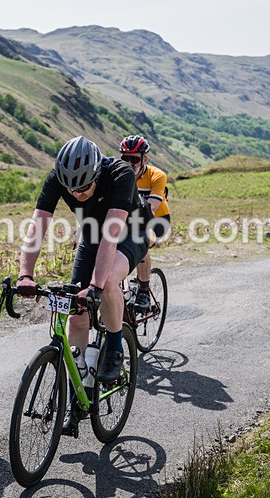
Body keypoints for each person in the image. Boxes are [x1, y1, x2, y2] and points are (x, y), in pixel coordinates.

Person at [17, 136, 149, 397]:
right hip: (92, 235)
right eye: (71, 190)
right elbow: (37, 227)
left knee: (108, 281)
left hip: (130, 233)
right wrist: (25, 275)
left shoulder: (121, 174)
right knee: (77, 314)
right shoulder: (57, 178)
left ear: (97, 172)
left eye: (84, 187)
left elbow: (111, 237)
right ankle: (80, 386)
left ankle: (114, 348)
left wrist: (94, 287)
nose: (77, 194)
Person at [119, 135, 170, 311]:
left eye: (134, 159)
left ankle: (144, 290)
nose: (129, 163)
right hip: (131, 217)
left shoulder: (157, 176)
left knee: (141, 241)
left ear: (144, 159)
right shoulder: (119, 173)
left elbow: (151, 209)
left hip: (156, 220)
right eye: (125, 158)